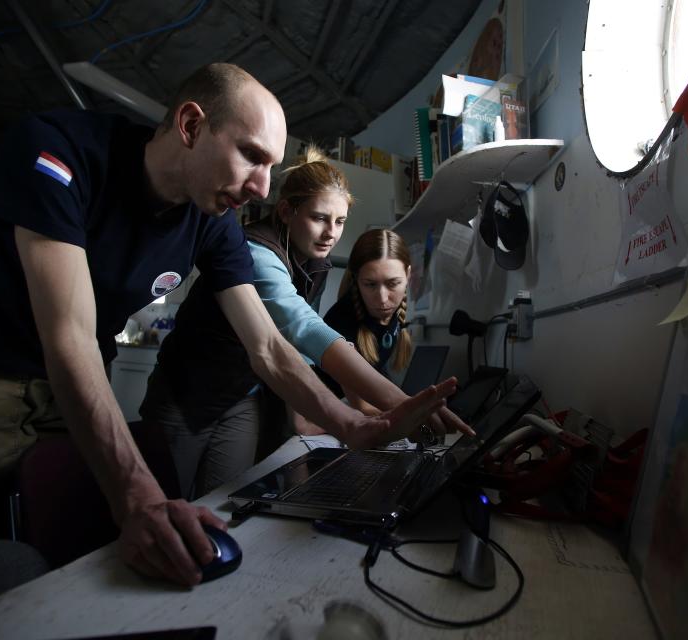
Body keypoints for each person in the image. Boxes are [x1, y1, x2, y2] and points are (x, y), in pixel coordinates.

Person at [0, 62, 457, 588]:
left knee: (82, 543)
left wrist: (349, 424)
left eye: (271, 167)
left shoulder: (214, 222)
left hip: (80, 373)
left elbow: (267, 345)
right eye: (251, 156)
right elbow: (69, 336)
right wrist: (142, 498)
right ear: (192, 125)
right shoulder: (60, 151)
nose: (263, 190)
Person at [141, 146, 470, 500]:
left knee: (224, 503)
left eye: (340, 221)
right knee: (166, 504)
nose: (331, 232)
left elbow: (297, 347)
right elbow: (304, 327)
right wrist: (402, 403)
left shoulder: (313, 262)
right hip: (185, 394)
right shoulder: (256, 253)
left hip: (241, 398)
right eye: (319, 218)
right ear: (286, 211)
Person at [322, 229, 415, 415]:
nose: (382, 299)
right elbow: (362, 406)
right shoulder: (341, 323)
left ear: (408, 275)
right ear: (357, 280)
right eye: (370, 284)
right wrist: (418, 419)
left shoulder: (393, 313)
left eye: (393, 283)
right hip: (322, 415)